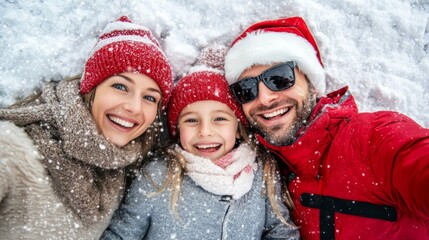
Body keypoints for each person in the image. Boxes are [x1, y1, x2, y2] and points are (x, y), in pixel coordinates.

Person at [224, 16, 429, 240]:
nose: (264, 98)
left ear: (312, 85)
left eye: (279, 78)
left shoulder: (373, 136)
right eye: (246, 89)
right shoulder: (258, 174)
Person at [100, 45, 300, 240]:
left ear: (238, 129)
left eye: (220, 119)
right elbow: (121, 232)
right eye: (191, 120)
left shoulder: (261, 172)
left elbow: (280, 230)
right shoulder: (160, 174)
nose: (205, 131)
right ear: (178, 131)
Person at [0, 16, 173, 239]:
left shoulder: (121, 176)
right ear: (90, 89)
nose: (134, 107)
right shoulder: (11, 150)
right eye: (120, 86)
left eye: (150, 98)